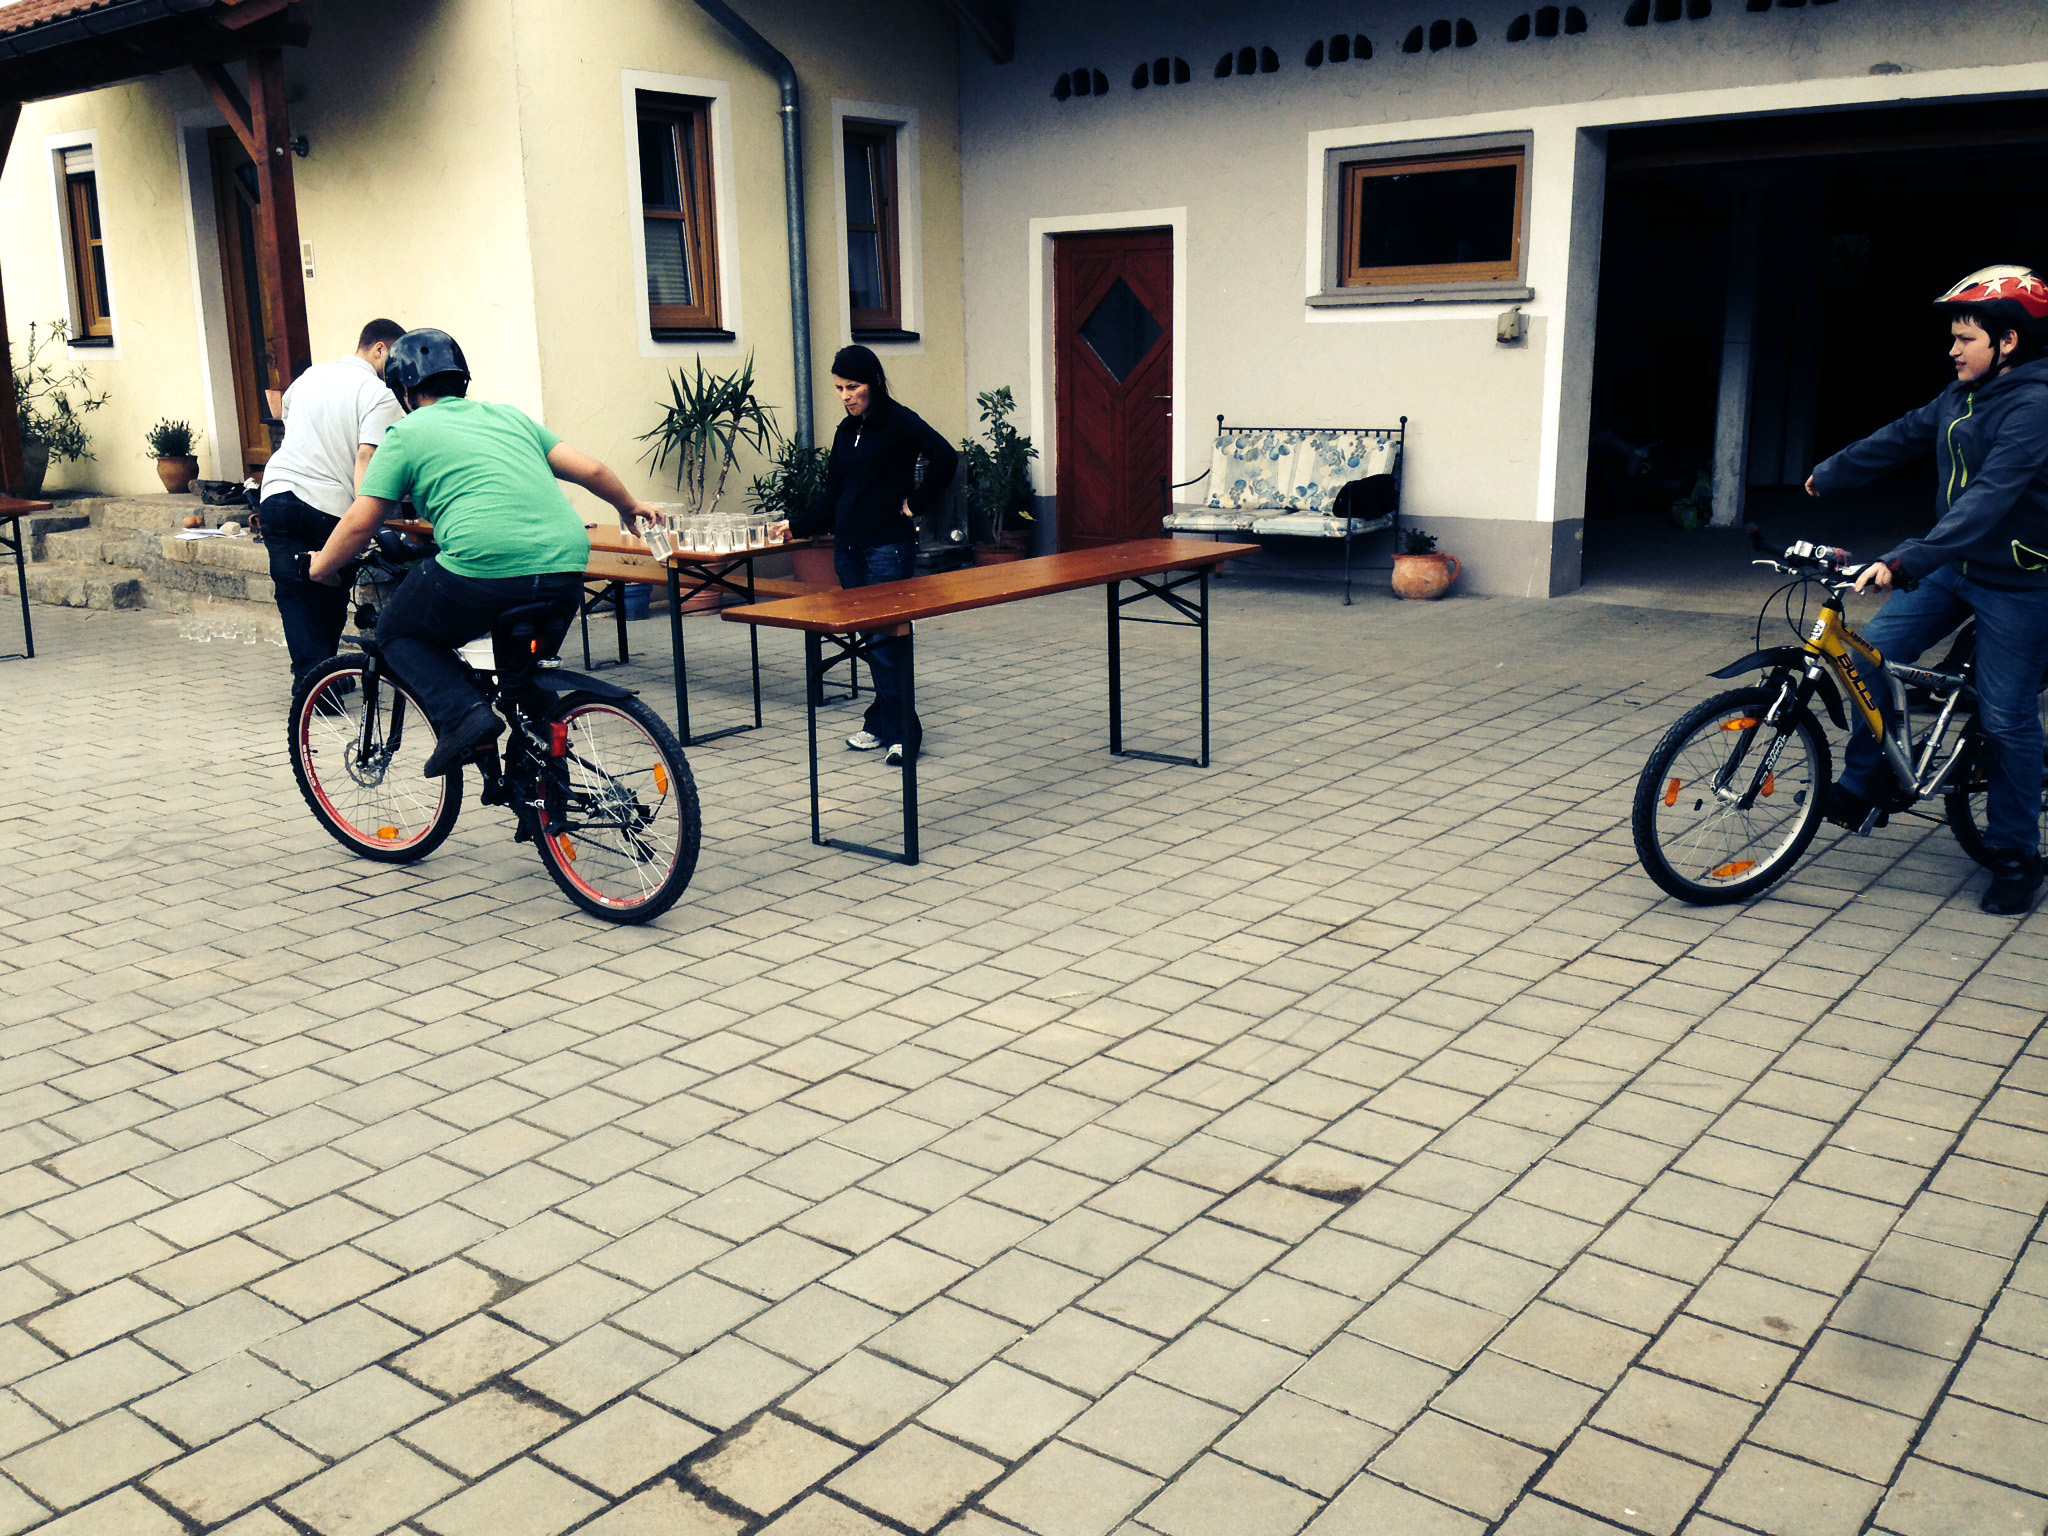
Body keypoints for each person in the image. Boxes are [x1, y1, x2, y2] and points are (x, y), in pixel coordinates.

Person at [305, 328, 663, 777]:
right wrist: (629, 506)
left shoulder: (407, 432)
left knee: (397, 632)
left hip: (483, 571)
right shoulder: (510, 418)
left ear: (404, 391)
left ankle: (464, 716)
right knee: (525, 683)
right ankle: (544, 791)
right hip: (566, 566)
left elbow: (362, 521)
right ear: (462, 380)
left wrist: (321, 566)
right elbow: (591, 468)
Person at [1807, 264, 2048, 915]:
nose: (1953, 350)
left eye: (1965, 338)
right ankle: (1867, 779)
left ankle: (2016, 854)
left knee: (2006, 718)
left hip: (2021, 582)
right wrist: (1832, 472)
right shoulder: (1959, 395)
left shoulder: (2035, 406)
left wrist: (1905, 559)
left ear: (2008, 342)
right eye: (1953, 338)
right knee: (1865, 655)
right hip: (1956, 566)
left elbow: (1989, 500)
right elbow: (1901, 435)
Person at [790, 345, 958, 764]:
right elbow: (835, 493)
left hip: (887, 548)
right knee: (871, 640)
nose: (845, 396)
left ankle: (904, 734)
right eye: (839, 388)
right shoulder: (847, 431)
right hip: (849, 550)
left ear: (874, 382)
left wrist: (915, 505)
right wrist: (796, 525)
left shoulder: (899, 421)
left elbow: (945, 457)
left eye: (853, 386)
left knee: (886, 640)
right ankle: (881, 721)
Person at [256, 318, 407, 683]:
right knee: (330, 589)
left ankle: (316, 677)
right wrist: (366, 514)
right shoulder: (379, 394)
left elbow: (287, 423)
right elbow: (367, 456)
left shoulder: (309, 377)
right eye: (396, 358)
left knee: (293, 591)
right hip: (328, 504)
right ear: (380, 349)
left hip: (277, 493)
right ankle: (318, 680)